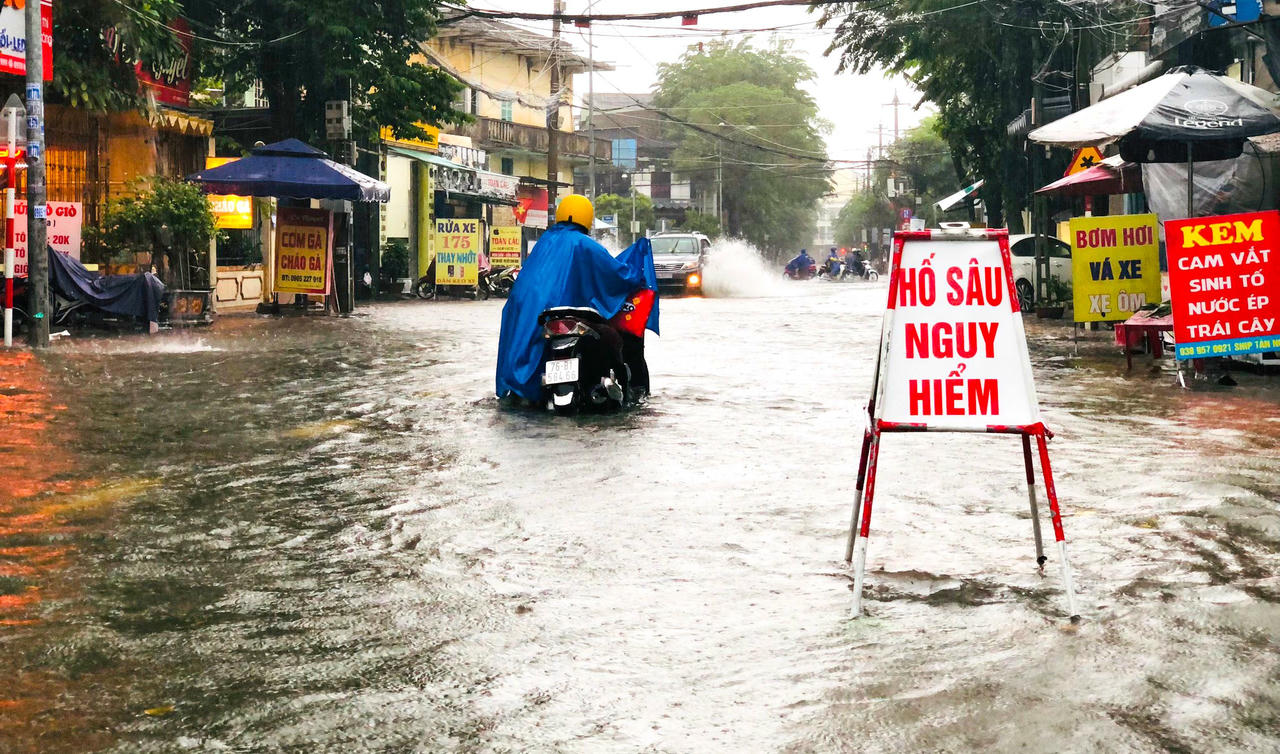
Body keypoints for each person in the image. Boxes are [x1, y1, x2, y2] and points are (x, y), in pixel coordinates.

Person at [495, 194, 659, 402]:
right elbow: (616, 273)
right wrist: (638, 265)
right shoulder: (583, 244)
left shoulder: (544, 242)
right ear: (587, 218)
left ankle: (522, 386)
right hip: (560, 314)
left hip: (528, 312)